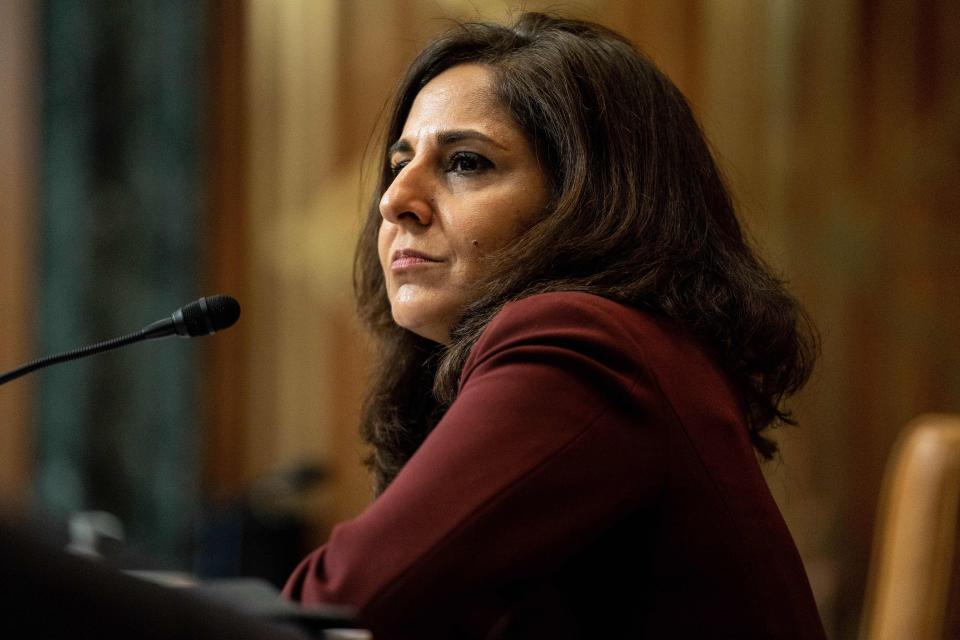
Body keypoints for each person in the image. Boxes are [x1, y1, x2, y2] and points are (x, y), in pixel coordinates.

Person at [284, 12, 826, 639]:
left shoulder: (580, 344)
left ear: (590, 202)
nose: (393, 199)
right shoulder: (633, 344)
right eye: (399, 162)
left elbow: (341, 609)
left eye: (465, 162)